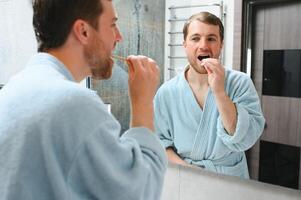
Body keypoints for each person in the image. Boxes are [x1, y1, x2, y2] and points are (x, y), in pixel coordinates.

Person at [0, 0, 167, 199]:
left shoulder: (13, 89)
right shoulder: (74, 104)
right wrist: (142, 102)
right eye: (113, 25)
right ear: (84, 31)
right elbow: (141, 192)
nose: (119, 37)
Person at [154, 12, 265, 179]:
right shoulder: (167, 92)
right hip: (185, 177)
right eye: (195, 38)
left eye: (211, 39)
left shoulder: (240, 83)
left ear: (221, 45)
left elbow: (247, 138)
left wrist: (219, 91)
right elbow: (159, 143)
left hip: (230, 179)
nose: (203, 46)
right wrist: (190, 172)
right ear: (185, 44)